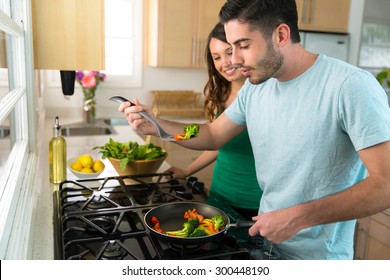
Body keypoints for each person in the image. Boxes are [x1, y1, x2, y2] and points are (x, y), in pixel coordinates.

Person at [119, 0, 390, 260]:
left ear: (281, 35)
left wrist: (298, 216)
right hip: (266, 246)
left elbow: (385, 185)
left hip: (318, 259)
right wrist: (157, 126)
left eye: (243, 45)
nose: (234, 60)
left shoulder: (350, 86)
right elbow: (212, 134)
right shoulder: (256, 88)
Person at [165, 22, 263, 220]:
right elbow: (216, 142)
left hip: (257, 203)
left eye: (229, 52)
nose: (225, 63)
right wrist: (187, 170)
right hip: (220, 196)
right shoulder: (219, 95)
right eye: (217, 57)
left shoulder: (264, 95)